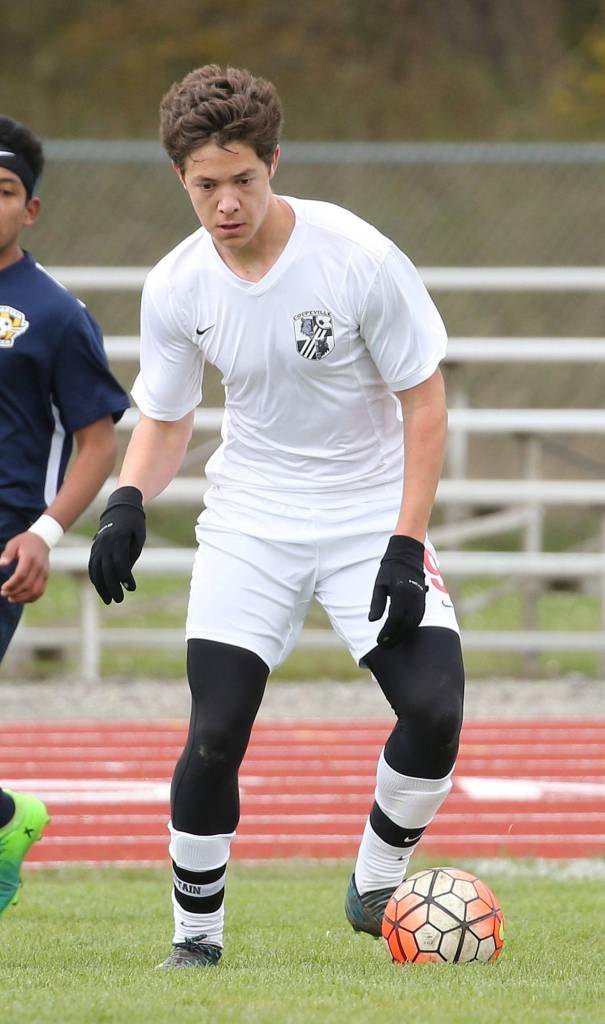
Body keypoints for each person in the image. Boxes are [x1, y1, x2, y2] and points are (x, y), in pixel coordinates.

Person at [88, 65, 465, 970]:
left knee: (435, 710)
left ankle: (375, 882)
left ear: (275, 165)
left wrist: (405, 543)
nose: (226, 204)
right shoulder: (176, 285)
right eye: (205, 186)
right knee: (214, 733)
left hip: (370, 516)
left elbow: (426, 403)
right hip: (250, 524)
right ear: (181, 179)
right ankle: (196, 942)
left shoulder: (356, 257)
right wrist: (127, 502)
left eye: (243, 181)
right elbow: (169, 418)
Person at [0, 116, 130, 916]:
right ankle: (8, 820)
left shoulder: (54, 314)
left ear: (31, 210)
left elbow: (95, 444)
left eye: (5, 191)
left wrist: (44, 534)